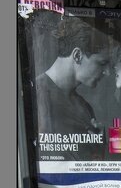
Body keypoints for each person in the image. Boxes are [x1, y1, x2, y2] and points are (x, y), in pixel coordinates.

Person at [35, 17, 110, 160]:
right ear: (77, 55)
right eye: (102, 63)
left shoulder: (85, 108)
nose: (107, 72)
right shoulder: (35, 97)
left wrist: (98, 146)